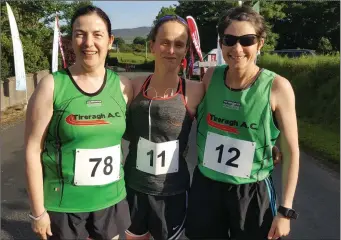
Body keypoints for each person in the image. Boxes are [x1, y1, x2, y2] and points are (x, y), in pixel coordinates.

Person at [185, 6, 299, 240]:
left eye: (246, 40)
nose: (237, 48)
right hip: (206, 186)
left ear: (260, 43)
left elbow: (291, 152)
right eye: (229, 40)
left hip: (251, 192)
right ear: (221, 43)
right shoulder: (211, 77)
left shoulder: (278, 87)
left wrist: (285, 211)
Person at [25, 5, 133, 240]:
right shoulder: (52, 85)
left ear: (110, 40)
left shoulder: (124, 86)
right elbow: (33, 149)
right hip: (64, 207)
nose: (88, 42)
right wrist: (37, 211)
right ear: (71, 40)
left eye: (97, 34)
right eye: (80, 34)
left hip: (111, 202)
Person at [123, 15, 205, 240]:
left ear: (186, 49)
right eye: (164, 42)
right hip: (133, 188)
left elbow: (226, 118)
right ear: (152, 45)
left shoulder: (196, 91)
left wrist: (268, 145)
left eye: (178, 44)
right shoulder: (133, 86)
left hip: (172, 194)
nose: (171, 50)